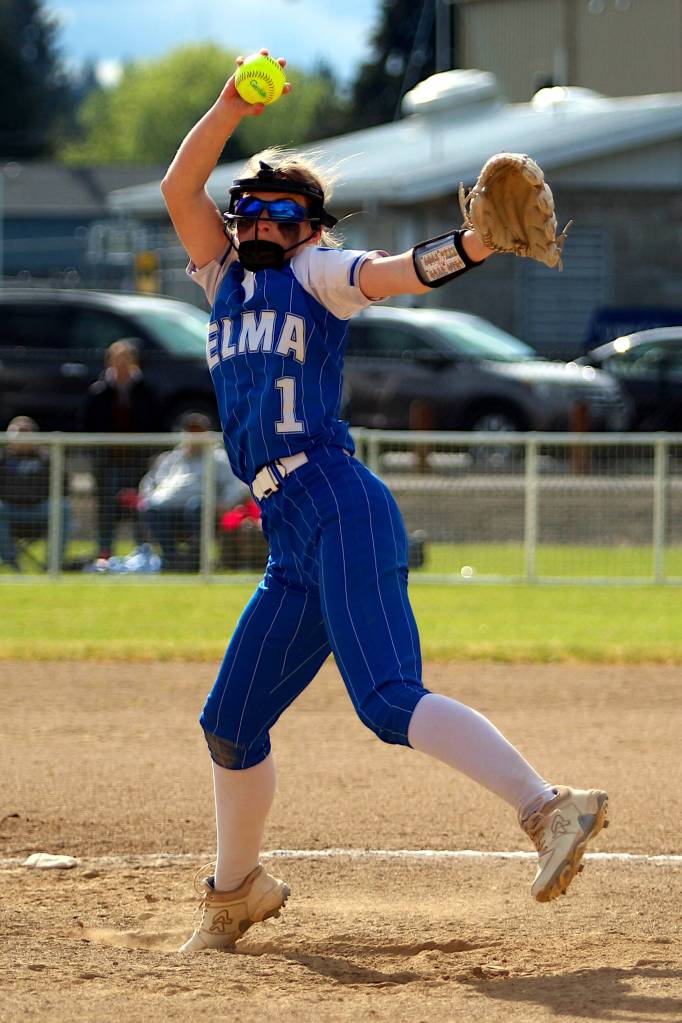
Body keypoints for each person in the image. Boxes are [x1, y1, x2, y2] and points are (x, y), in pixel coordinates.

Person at [161, 50, 609, 953]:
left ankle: (550, 807)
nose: (258, 222)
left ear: (312, 229)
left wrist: (478, 243)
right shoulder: (222, 281)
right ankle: (237, 888)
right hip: (289, 530)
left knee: (387, 697)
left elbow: (400, 271)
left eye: (282, 214)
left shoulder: (318, 273)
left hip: (338, 501)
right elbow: (180, 183)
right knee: (231, 724)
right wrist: (226, 104)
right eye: (248, 209)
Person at [137, 411, 249, 571]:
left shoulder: (218, 459)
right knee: (152, 508)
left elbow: (236, 487)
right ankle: (172, 560)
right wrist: (146, 498)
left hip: (201, 511)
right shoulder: (171, 458)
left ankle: (195, 560)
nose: (194, 436)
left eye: (199, 432)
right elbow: (149, 483)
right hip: (168, 510)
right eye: (191, 431)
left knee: (196, 506)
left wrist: (223, 504)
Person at [82, 339, 160, 561]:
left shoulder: (146, 391)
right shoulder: (98, 392)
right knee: (107, 507)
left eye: (127, 359)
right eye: (117, 359)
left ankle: (141, 553)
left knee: (139, 505)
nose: (122, 364)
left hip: (138, 460)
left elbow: (154, 422)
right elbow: (87, 424)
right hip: (108, 461)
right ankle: (104, 553)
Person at [0, 416, 70, 571]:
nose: (22, 437)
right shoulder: (2, 457)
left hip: (40, 511)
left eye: (26, 432)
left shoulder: (47, 457)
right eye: (17, 432)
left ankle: (53, 564)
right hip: (9, 512)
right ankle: (10, 560)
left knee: (63, 507)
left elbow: (64, 485)